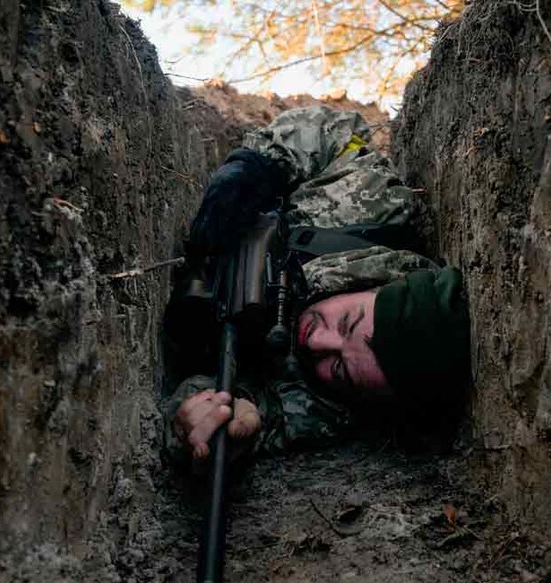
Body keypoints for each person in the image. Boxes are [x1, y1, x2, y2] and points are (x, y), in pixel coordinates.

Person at [162, 106, 471, 466]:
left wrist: (208, 416)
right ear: (378, 285)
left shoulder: (335, 407)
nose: (317, 342)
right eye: (346, 322)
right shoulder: (375, 210)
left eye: (339, 368)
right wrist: (255, 168)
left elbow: (251, 415)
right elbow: (338, 128)